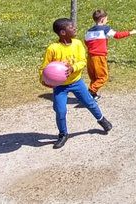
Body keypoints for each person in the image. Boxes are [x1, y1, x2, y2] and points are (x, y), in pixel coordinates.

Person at [40, 18, 113, 149]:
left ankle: (102, 119)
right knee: (60, 110)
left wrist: (73, 68)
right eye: (71, 27)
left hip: (76, 82)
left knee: (90, 103)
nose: (75, 28)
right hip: (60, 87)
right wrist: (44, 80)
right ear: (62, 32)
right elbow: (44, 68)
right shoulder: (53, 48)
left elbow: (83, 61)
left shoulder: (78, 44)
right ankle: (63, 134)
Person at [83, 9, 136, 100]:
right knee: (103, 77)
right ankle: (89, 93)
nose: (107, 20)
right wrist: (131, 32)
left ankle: (93, 95)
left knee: (94, 77)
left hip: (90, 57)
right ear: (102, 19)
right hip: (99, 56)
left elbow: (86, 42)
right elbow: (117, 35)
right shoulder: (105, 29)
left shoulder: (89, 31)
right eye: (106, 19)